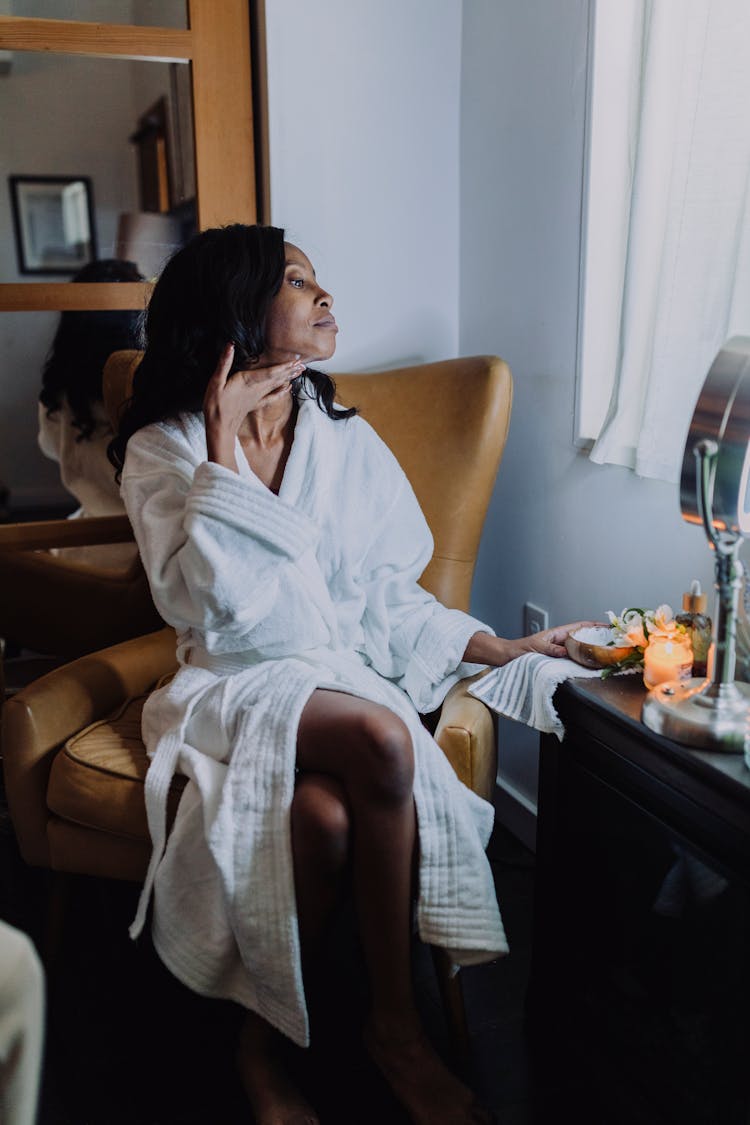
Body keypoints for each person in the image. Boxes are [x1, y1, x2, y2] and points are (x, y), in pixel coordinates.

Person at [108, 223, 586, 1125]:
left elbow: (380, 597)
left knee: (323, 819)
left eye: (319, 281)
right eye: (297, 281)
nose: (325, 297)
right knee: (379, 735)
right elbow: (213, 608)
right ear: (239, 310)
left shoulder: (337, 437)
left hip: (325, 672)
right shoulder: (163, 449)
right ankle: (397, 1030)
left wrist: (500, 648)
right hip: (228, 686)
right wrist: (221, 446)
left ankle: (262, 1048)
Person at [38, 257, 144, 522]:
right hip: (145, 538)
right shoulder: (151, 390)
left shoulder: (59, 393)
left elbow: (49, 446)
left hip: (88, 534)